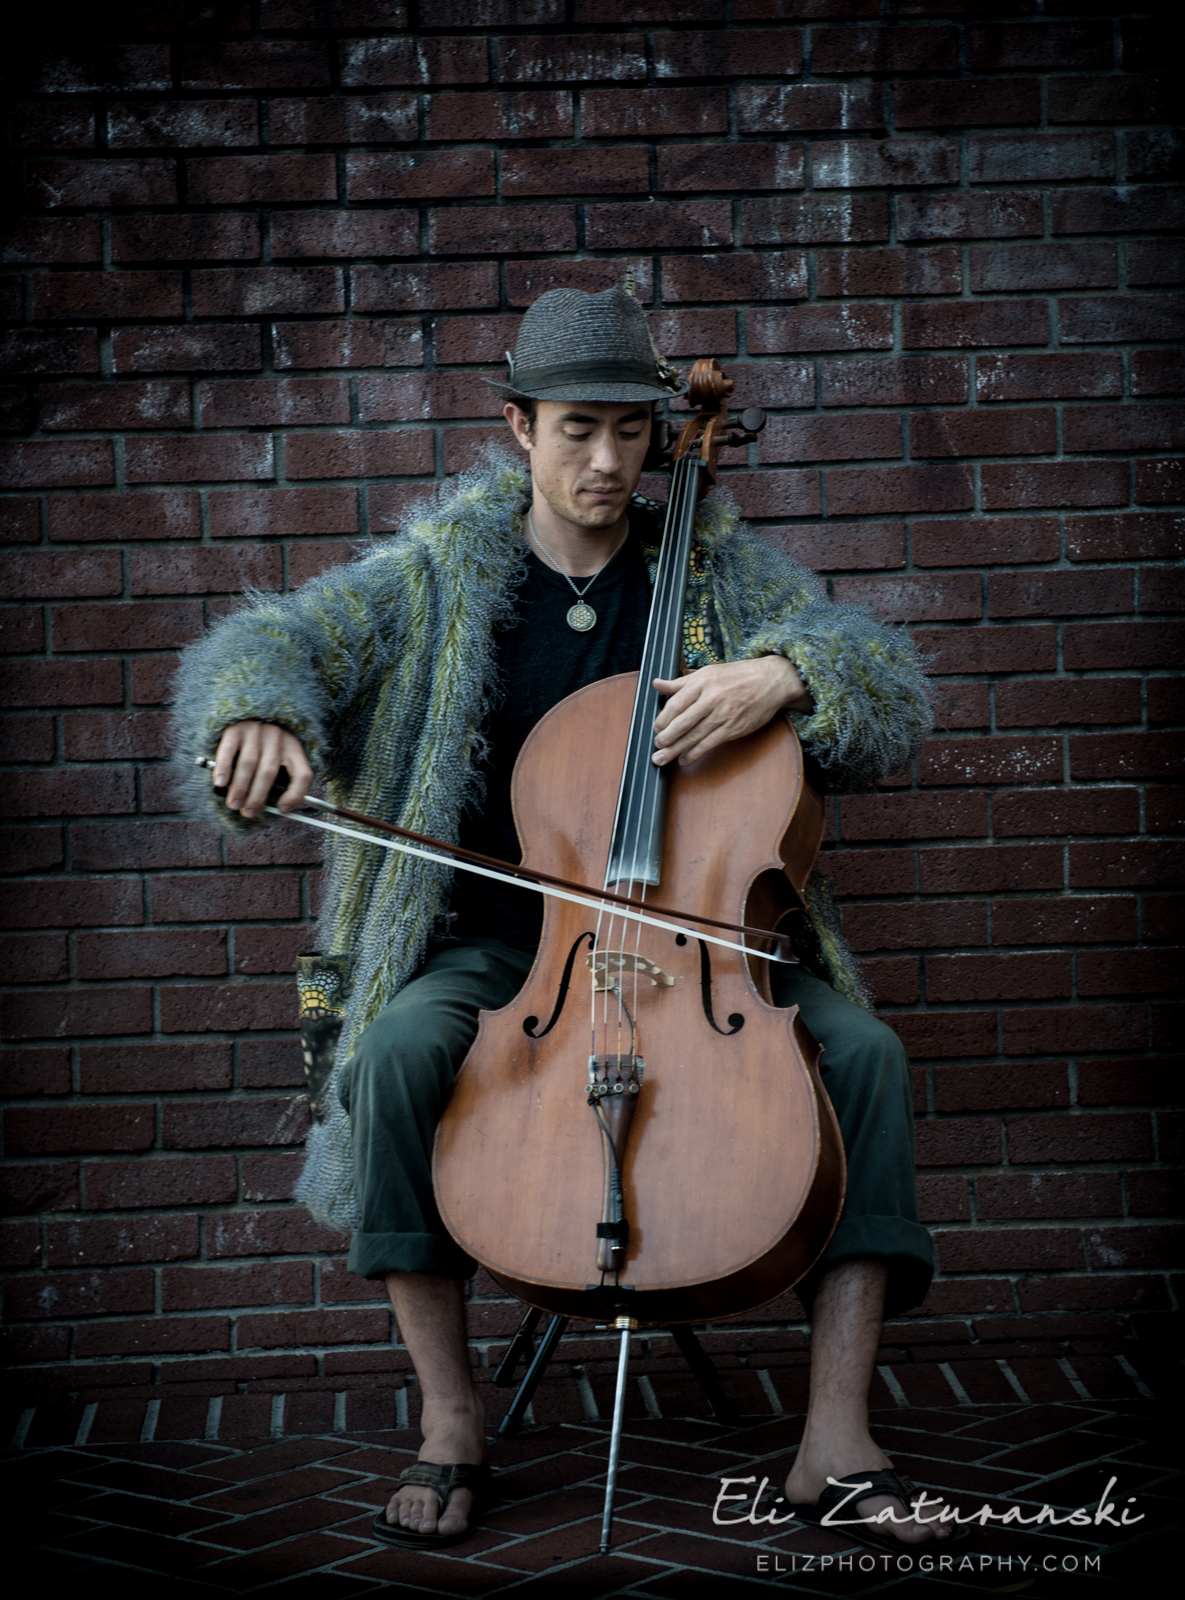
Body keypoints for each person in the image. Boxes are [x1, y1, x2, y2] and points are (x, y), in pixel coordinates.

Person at [174, 286, 949, 1554]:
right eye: (577, 429)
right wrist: (254, 708)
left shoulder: (713, 573)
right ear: (519, 426)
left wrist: (792, 670)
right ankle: (450, 1418)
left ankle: (837, 1436)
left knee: (863, 1057)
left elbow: (882, 681)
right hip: (497, 952)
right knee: (391, 1056)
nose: (606, 460)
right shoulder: (435, 579)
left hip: (700, 940)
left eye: (631, 431)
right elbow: (279, 640)